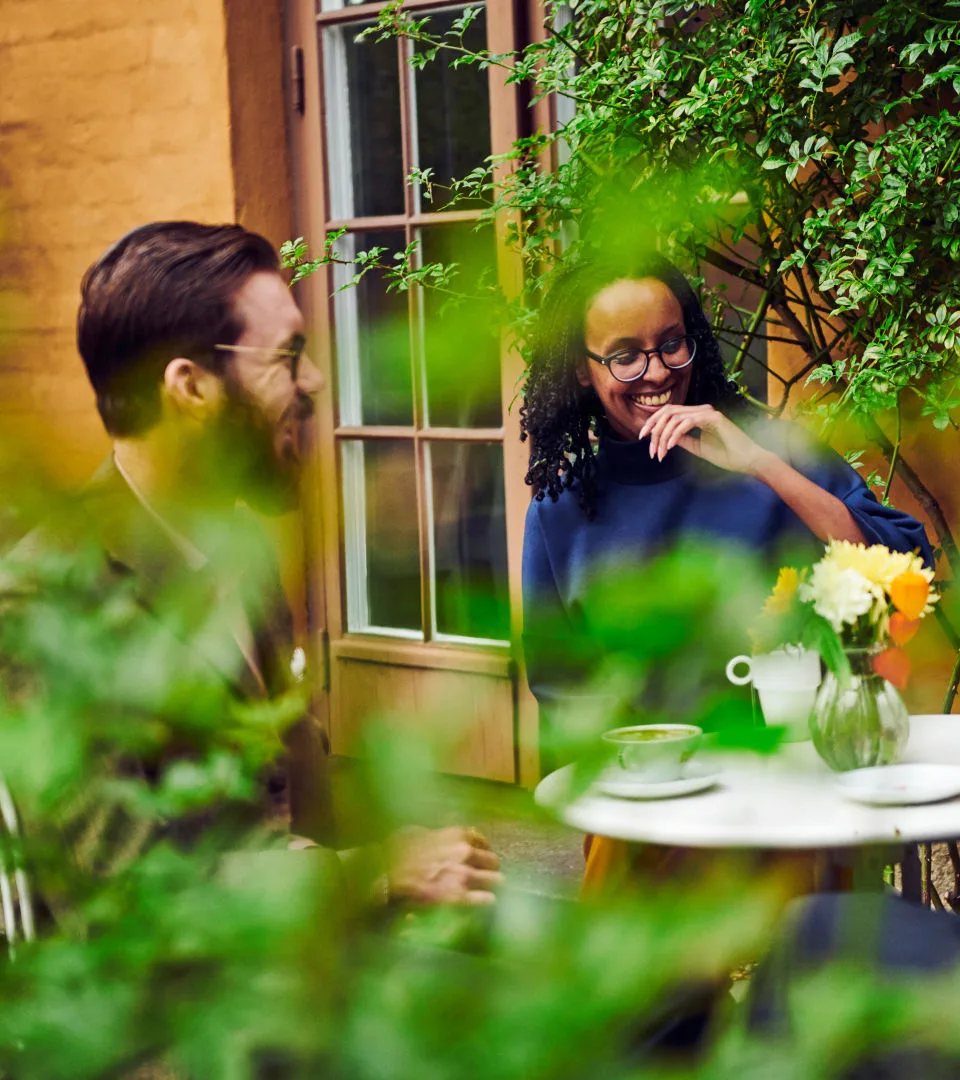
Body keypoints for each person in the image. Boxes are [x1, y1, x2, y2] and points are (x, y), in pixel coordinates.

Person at [9, 221, 501, 914]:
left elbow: (287, 785)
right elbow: (121, 906)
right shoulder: (45, 607)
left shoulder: (242, 545)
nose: (315, 381)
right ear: (191, 388)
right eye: (287, 355)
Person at [520, 251, 933, 889]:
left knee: (816, 956)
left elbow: (902, 573)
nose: (657, 373)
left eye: (671, 344)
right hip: (654, 806)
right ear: (581, 370)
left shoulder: (768, 451)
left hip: (800, 788)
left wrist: (762, 464)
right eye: (625, 354)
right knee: (636, 971)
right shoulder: (561, 509)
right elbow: (560, 690)